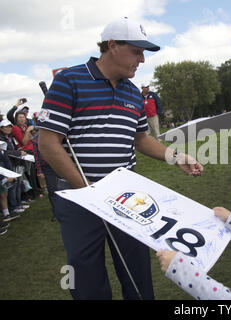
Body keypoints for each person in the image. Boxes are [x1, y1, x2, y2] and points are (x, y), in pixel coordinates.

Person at [37, 17, 203, 300]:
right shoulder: (69, 80)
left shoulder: (133, 92)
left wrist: (176, 156)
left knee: (137, 269)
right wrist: (88, 189)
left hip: (125, 196)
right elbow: (48, 143)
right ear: (112, 46)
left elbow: (140, 139)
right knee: (86, 275)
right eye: (137, 51)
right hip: (79, 198)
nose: (141, 59)